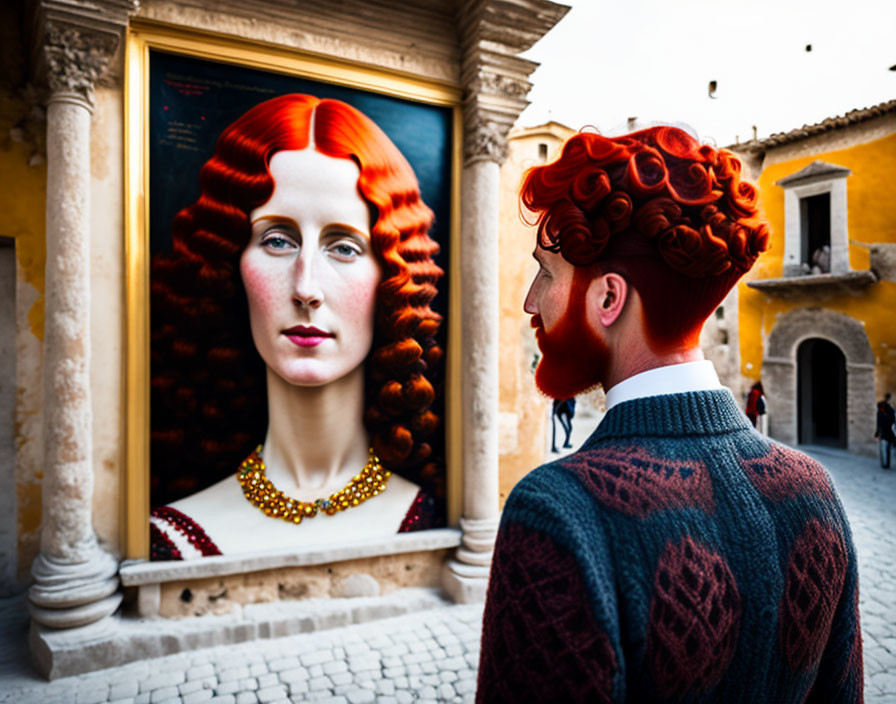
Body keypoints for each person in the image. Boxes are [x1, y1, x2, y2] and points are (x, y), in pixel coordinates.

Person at [477, 126, 863, 702]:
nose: (531, 301)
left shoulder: (560, 513)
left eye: (547, 273)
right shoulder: (817, 490)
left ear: (609, 298)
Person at [149, 94, 444, 559]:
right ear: (232, 262)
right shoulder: (174, 538)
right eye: (278, 240)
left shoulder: (431, 517)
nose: (306, 288)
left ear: (392, 275)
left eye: (344, 246)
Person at [876, 392, 896, 469]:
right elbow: (879, 423)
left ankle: (886, 464)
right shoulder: (883, 410)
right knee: (885, 448)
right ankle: (885, 464)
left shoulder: (889, 410)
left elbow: (892, 422)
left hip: (887, 432)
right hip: (885, 432)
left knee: (885, 448)